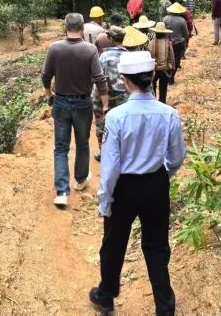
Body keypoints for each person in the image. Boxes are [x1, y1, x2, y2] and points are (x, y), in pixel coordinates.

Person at [90, 51, 187, 316]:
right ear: (153, 75)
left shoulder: (116, 117)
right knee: (157, 247)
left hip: (124, 188)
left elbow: (110, 166)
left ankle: (106, 295)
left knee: (113, 243)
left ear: (124, 80)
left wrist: (105, 198)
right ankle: (165, 307)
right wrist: (162, 175)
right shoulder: (168, 114)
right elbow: (177, 156)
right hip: (156, 184)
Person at [42, 13, 109, 208]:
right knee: (82, 143)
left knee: (61, 147)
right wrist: (105, 103)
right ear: (82, 28)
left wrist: (49, 94)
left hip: (61, 102)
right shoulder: (90, 49)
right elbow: (99, 78)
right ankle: (80, 179)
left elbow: (45, 75)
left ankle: (62, 192)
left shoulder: (55, 48)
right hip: (82, 103)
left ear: (65, 27)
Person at [93, 26, 128, 162]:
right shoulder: (129, 56)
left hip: (104, 97)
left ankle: (104, 153)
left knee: (102, 124)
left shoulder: (104, 56)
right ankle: (123, 152)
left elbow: (98, 79)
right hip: (124, 99)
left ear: (110, 39)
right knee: (123, 126)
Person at [148, 22, 175, 104]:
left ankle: (153, 102)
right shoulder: (168, 43)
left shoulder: (151, 43)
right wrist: (173, 67)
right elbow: (172, 56)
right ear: (165, 33)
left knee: (153, 85)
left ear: (155, 33)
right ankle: (162, 101)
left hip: (154, 69)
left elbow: (149, 56)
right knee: (163, 86)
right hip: (165, 69)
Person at [163, 3, 189, 82]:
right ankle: (171, 77)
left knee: (167, 59)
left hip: (166, 42)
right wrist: (187, 41)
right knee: (176, 60)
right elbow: (186, 33)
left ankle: (167, 76)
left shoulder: (165, 19)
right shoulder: (182, 20)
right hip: (177, 43)